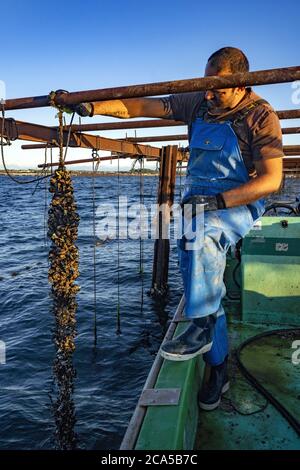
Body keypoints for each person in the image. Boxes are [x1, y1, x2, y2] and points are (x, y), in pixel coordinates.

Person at [74, 47, 283, 410]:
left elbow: (270, 181)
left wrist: (216, 203)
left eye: (216, 87)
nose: (207, 93)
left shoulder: (261, 116)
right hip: (195, 200)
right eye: (205, 84)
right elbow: (143, 106)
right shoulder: (198, 103)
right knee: (194, 264)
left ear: (241, 83)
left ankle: (200, 327)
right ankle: (218, 368)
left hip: (236, 201)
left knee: (200, 235)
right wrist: (93, 106)